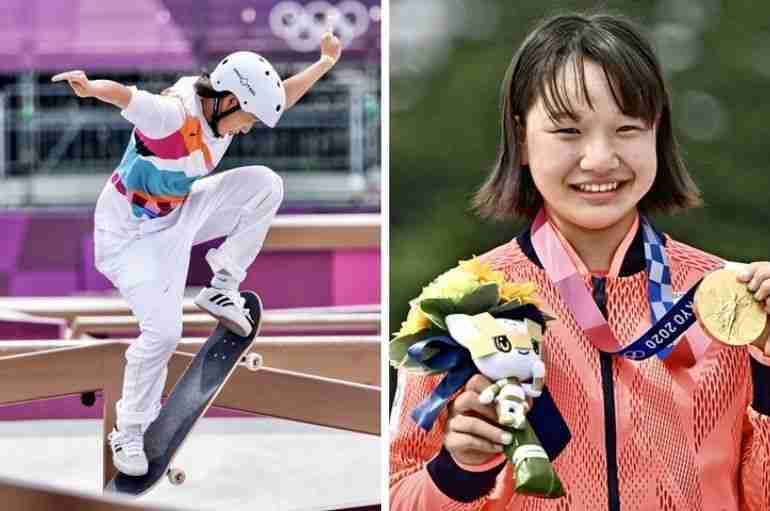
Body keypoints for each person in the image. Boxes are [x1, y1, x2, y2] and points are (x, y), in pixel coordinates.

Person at [389, 12, 770, 511]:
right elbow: (397, 494)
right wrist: (458, 472)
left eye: (627, 129)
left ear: (657, 133)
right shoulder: (461, 304)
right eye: (568, 131)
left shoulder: (734, 301)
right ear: (522, 138)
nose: (599, 159)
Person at [53, 32, 342, 477]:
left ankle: (222, 286)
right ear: (226, 100)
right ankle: (128, 431)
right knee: (164, 333)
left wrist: (324, 62)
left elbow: (281, 95)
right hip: (130, 239)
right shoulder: (172, 115)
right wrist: (91, 87)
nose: (246, 129)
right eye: (245, 118)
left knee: (266, 184)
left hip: (181, 211)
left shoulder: (227, 105)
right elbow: (129, 98)